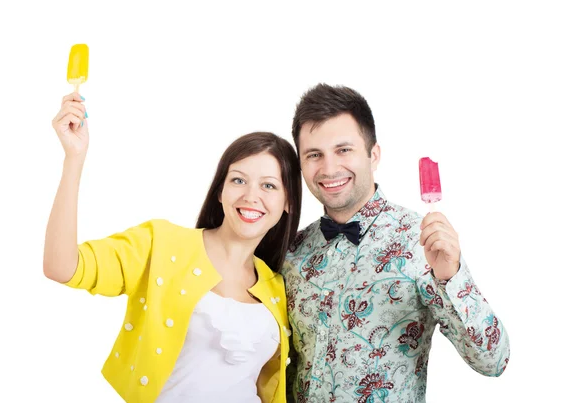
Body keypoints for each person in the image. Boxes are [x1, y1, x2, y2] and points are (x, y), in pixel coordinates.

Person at [43, 93, 302, 403]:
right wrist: (74, 158)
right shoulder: (162, 244)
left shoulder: (279, 287)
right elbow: (61, 267)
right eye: (238, 180)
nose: (251, 196)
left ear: (287, 202)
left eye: (269, 185)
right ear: (220, 191)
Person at [282, 84, 510, 402]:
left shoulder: (422, 242)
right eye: (314, 155)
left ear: (373, 155)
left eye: (343, 150)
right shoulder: (292, 251)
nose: (329, 168)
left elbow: (493, 361)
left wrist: (451, 276)